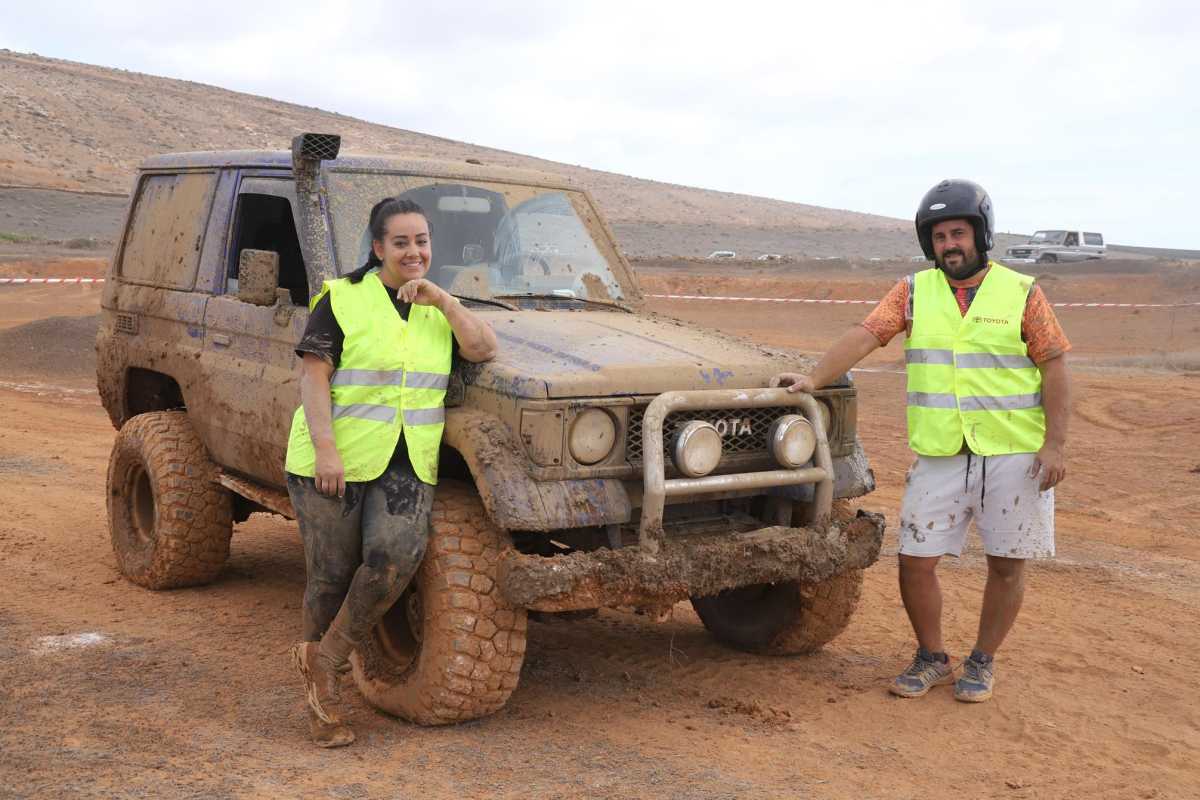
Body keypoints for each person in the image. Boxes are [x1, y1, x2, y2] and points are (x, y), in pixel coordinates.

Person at [771, 179, 1071, 703]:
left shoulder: (1023, 292)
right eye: (939, 236)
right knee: (915, 559)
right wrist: (814, 379)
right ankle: (932, 656)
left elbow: (1054, 367)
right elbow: (867, 333)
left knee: (1006, 564)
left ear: (981, 234)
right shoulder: (912, 291)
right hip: (940, 453)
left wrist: (1056, 445)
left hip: (1014, 454)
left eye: (958, 233)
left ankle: (982, 661)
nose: (949, 244)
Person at [284, 197, 498, 746]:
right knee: (331, 575)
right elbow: (314, 377)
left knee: (394, 558)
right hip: (334, 458)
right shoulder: (342, 298)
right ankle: (322, 704)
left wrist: (443, 300)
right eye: (400, 242)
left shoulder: (438, 306)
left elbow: (483, 348)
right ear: (378, 247)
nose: (413, 252)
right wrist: (326, 450)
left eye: (421, 241)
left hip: (407, 459)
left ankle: (325, 659)